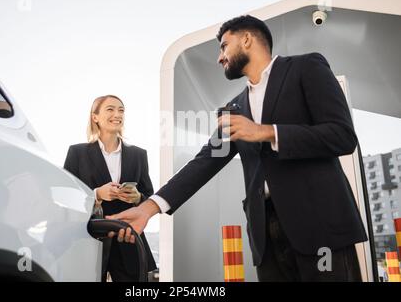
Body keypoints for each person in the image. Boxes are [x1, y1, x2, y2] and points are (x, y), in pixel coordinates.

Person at [108, 15, 368, 282]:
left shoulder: (306, 68)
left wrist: (266, 132)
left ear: (246, 39)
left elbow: (342, 135)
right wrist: (149, 208)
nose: (220, 57)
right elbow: (204, 162)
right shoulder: (234, 108)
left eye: (223, 46)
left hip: (321, 229)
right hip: (266, 239)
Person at [64, 95, 157, 282]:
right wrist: (97, 194)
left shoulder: (139, 155)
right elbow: (66, 196)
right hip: (89, 239)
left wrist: (137, 197)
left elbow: (149, 197)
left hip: (128, 239)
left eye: (121, 110)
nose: (117, 114)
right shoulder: (77, 153)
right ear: (95, 117)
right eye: (110, 109)